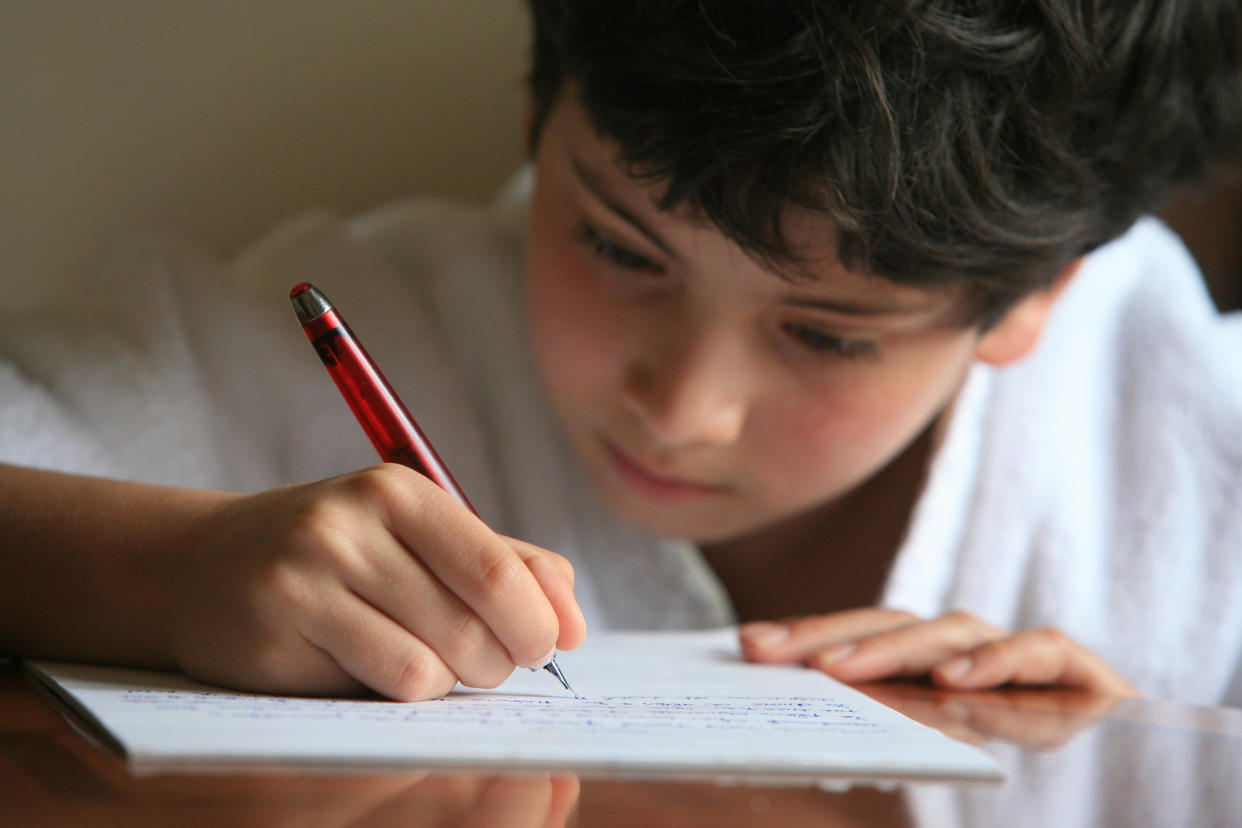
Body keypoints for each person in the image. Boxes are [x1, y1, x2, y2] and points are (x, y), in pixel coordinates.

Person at [2, 0, 1240, 705]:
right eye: (621, 249)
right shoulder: (401, 311)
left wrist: (1140, 765)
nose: (682, 408)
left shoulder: (1192, 450)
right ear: (542, 120)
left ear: (1034, 300)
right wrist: (155, 577)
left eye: (823, 332)